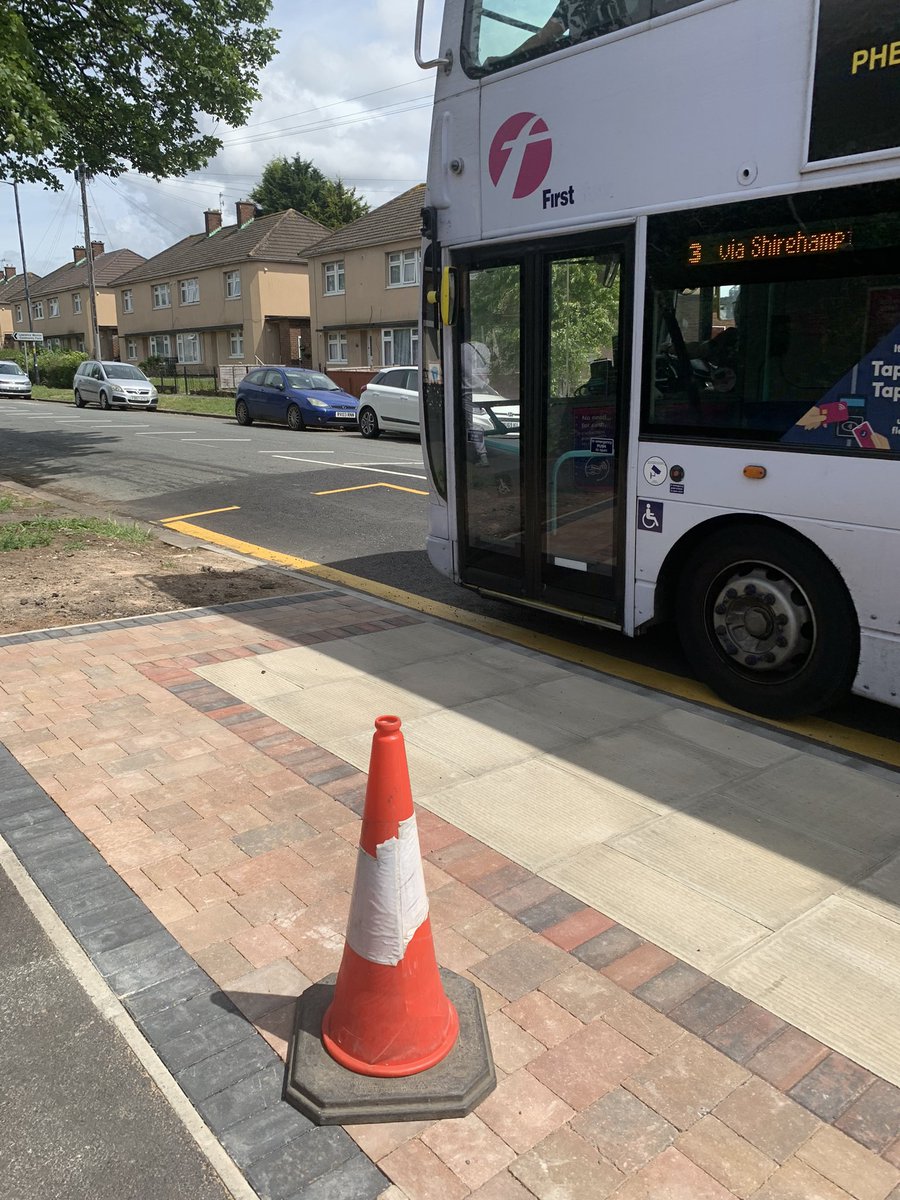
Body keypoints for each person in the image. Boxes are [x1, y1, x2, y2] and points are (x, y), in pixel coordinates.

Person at [488, 0, 638, 62]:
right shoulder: (570, 2)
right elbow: (544, 37)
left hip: (622, 58)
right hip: (578, 64)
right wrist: (506, 60)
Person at [461, 339, 492, 466]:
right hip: (482, 390)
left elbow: (467, 372)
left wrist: (482, 385)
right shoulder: (482, 347)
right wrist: (486, 386)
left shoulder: (463, 348)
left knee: (474, 424)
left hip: (469, 392)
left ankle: (482, 455)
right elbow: (487, 369)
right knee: (477, 422)